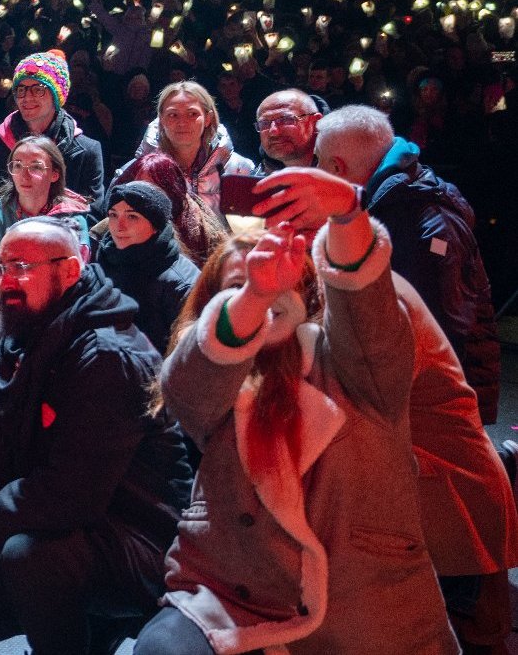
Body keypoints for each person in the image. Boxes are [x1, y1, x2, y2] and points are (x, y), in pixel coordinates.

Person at [135, 175, 456, 655]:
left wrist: (348, 216)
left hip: (363, 599)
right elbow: (190, 389)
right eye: (236, 285)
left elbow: (368, 315)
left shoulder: (355, 368)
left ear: (307, 294)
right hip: (232, 592)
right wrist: (255, 295)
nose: (265, 287)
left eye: (282, 282)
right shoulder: (215, 376)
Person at [0, 215, 192, 655]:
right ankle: (79, 626)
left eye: (23, 267)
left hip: (140, 534)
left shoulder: (106, 354)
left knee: (29, 558)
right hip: (65, 517)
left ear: (71, 271)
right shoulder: (19, 332)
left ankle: (78, 636)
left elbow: (68, 493)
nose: (7, 281)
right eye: (2, 268)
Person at [315, 104, 499, 423]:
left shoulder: (426, 226)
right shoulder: (392, 202)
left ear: (337, 167)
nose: (314, 168)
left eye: (318, 160)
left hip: (436, 405)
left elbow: (437, 333)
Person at [0, 136, 93, 338]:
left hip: (56, 331)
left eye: (36, 167)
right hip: (1, 328)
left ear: (55, 174)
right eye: (17, 165)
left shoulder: (73, 221)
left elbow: (73, 287)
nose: (25, 174)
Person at [0, 50, 106, 210]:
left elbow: (92, 216)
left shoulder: (87, 152)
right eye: (21, 89)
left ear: (57, 96)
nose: (27, 97)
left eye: (38, 89)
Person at [114, 81, 253, 216]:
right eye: (173, 115)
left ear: (208, 118)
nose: (182, 123)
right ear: (161, 120)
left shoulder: (240, 170)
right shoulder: (134, 173)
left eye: (192, 114)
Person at [91, 181, 200, 353]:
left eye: (132, 216)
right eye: (113, 215)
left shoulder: (180, 282)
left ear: (155, 225)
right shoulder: (103, 259)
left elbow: (189, 351)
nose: (119, 226)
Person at [125, 152, 228, 267]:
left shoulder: (204, 235)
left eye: (155, 189)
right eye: (138, 188)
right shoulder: (113, 224)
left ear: (173, 190)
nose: (146, 196)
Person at [251, 88, 325, 174]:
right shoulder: (256, 178)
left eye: (286, 120)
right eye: (264, 123)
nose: (273, 132)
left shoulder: (341, 173)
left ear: (316, 123)